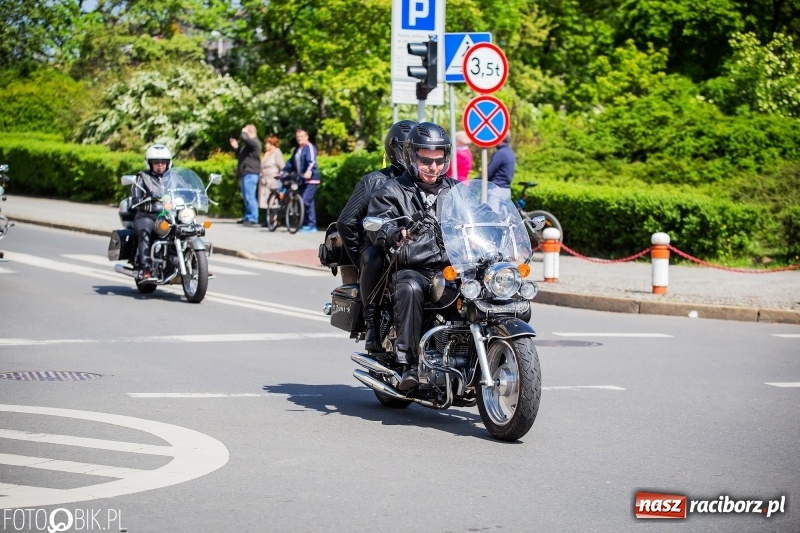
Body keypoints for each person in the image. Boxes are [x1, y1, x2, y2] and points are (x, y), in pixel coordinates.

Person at [367, 122, 458, 390]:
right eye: (426, 160)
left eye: (439, 161)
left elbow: (480, 216)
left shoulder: (455, 191)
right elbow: (377, 222)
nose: (433, 167)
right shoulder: (392, 190)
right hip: (413, 266)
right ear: (410, 157)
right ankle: (407, 364)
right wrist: (391, 232)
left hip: (452, 267)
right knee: (408, 287)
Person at [337, 119, 417, 352]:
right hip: (380, 244)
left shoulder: (427, 183)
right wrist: (358, 257)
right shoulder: (374, 181)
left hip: (418, 247)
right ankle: (372, 322)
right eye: (409, 150)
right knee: (373, 256)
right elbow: (347, 222)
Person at [131, 144, 172, 281]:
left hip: (168, 216)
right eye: (156, 163)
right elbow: (135, 197)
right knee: (145, 232)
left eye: (163, 163)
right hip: (147, 216)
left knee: (188, 228)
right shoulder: (142, 177)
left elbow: (185, 189)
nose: (160, 165)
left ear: (168, 163)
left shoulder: (173, 177)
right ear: (150, 164)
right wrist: (143, 198)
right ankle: (146, 268)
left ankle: (197, 264)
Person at [281, 129, 320, 232]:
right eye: (298, 137)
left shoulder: (309, 147)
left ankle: (311, 225)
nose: (299, 139)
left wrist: (309, 171)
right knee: (308, 202)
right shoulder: (297, 149)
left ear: (306, 137)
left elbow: (312, 161)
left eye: (301, 136)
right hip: (301, 179)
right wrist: (283, 171)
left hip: (311, 179)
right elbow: (291, 162)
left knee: (305, 200)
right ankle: (309, 224)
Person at [230, 124, 262, 227]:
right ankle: (248, 217)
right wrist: (236, 147)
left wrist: (243, 132)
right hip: (245, 173)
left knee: (250, 196)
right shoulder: (249, 145)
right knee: (246, 197)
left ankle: (253, 218)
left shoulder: (255, 142)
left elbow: (245, 138)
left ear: (250, 132)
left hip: (251, 173)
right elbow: (242, 154)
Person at [486, 132, 516, 213]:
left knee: (492, 217)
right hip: (506, 190)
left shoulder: (501, 153)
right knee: (504, 218)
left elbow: (489, 171)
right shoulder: (510, 152)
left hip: (496, 190)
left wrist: (477, 179)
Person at [259, 135, 284, 226]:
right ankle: (269, 219)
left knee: (274, 201)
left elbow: (281, 166)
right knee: (267, 200)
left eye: (267, 143)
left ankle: (275, 220)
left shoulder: (277, 153)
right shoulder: (267, 153)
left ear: (271, 143)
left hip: (273, 179)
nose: (266, 145)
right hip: (265, 180)